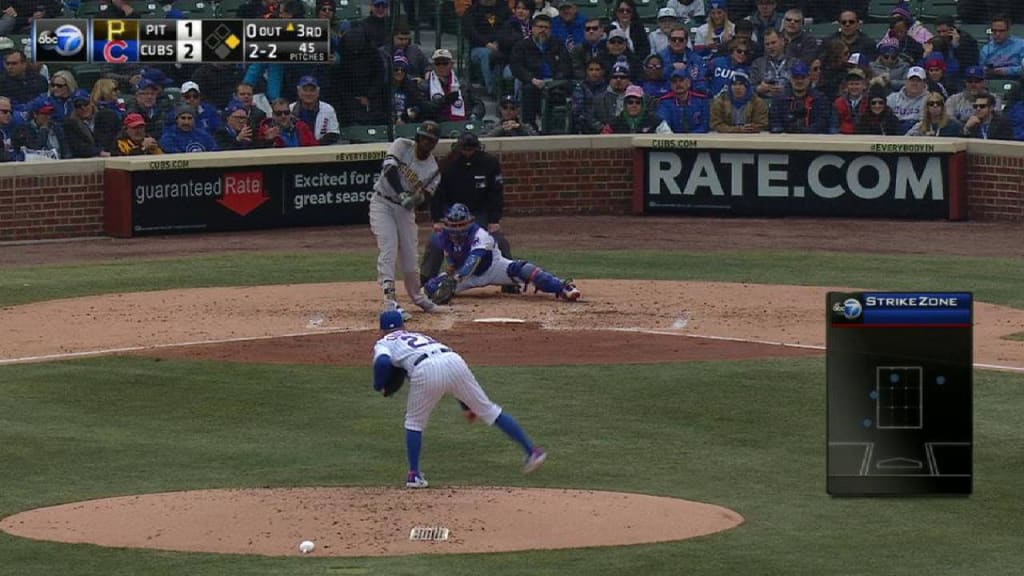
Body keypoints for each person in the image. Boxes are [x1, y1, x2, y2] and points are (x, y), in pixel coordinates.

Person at [372, 309, 547, 489]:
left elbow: (383, 362)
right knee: (490, 410)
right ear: (403, 325)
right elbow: (445, 369)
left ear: (382, 330)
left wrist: (378, 385)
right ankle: (532, 451)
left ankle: (414, 475)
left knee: (414, 423)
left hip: (425, 368)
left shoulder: (383, 343)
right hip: (453, 359)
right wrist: (466, 406)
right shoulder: (419, 336)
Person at [423, 203, 581, 302]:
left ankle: (562, 287)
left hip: (493, 267)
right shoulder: (442, 236)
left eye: (461, 225)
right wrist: (448, 275)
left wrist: (455, 279)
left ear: (469, 222)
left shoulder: (480, 235)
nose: (457, 229)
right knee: (430, 289)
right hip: (463, 275)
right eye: (454, 225)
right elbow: (450, 256)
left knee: (525, 269)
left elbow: (474, 259)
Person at [422, 131, 514, 290]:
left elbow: (496, 193)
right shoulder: (446, 164)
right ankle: (426, 279)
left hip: (479, 213)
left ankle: (510, 281)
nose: (468, 153)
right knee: (435, 242)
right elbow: (437, 194)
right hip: (451, 214)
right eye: (465, 149)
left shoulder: (490, 163)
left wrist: (494, 220)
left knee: (499, 240)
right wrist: (437, 219)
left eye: (472, 150)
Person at [371, 120, 444, 321]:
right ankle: (390, 301)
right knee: (388, 249)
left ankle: (417, 297)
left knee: (411, 256)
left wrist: (418, 200)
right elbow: (389, 170)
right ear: (417, 138)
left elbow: (425, 201)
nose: (426, 143)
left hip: (404, 212)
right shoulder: (402, 145)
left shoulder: (432, 169)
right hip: (382, 202)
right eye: (424, 138)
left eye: (431, 141)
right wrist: (402, 194)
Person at [509, 14, 573, 130]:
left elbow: (565, 65)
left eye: (546, 27)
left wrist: (556, 80)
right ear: (532, 29)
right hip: (533, 81)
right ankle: (529, 126)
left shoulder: (558, 44)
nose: (543, 30)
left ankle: (553, 127)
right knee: (528, 89)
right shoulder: (522, 45)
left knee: (562, 90)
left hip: (555, 82)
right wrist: (532, 79)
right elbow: (517, 67)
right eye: (540, 27)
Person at [464, 0, 512, 97]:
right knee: (486, 54)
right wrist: (486, 43)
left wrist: (500, 42)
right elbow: (470, 32)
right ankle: (492, 89)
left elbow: (510, 27)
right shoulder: (472, 11)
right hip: (478, 48)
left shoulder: (505, 9)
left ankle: (504, 87)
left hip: (501, 45)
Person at [769, 60, 830, 133]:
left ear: (808, 79)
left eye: (803, 77)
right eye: (796, 78)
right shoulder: (779, 99)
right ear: (790, 79)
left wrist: (802, 131)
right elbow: (775, 123)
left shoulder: (819, 99)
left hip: (812, 139)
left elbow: (822, 124)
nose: (799, 81)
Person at [64, 89, 118, 158]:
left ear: (91, 102)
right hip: (86, 159)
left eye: (85, 103)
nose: (83, 108)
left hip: (111, 155)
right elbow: (77, 146)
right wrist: (99, 152)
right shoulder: (70, 124)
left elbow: (114, 136)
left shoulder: (107, 116)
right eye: (78, 105)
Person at [710, 69, 768, 133]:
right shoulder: (720, 102)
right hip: (726, 137)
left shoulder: (758, 103)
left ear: (747, 87)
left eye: (741, 84)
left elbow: (762, 124)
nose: (737, 87)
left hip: (750, 137)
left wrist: (752, 127)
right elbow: (716, 125)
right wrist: (738, 129)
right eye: (734, 84)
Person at [655, 69, 711, 133]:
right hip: (673, 139)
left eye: (681, 80)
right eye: (674, 81)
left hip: (699, 139)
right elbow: (663, 123)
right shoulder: (665, 102)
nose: (678, 84)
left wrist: (690, 139)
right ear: (671, 85)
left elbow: (705, 126)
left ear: (689, 83)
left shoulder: (701, 100)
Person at [290, 75, 341, 145]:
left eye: (312, 90)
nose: (308, 94)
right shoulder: (290, 109)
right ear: (298, 91)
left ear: (318, 92)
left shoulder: (328, 109)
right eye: (305, 90)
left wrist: (315, 145)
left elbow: (334, 134)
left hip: (321, 149)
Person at [979, 14, 1024, 79]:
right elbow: (980, 67)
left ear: (1009, 30)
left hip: (1016, 79)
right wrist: (986, 70)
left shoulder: (1021, 45)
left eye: (1001, 31)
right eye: (994, 31)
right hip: (992, 79)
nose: (997, 34)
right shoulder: (986, 48)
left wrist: (1007, 71)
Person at [886, 65, 928, 133]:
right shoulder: (892, 98)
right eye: (912, 80)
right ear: (906, 81)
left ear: (924, 83)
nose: (914, 83)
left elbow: (925, 122)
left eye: (918, 81)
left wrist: (907, 137)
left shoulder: (929, 99)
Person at [831, 68, 869, 134]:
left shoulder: (870, 102)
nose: (854, 87)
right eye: (851, 84)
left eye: (857, 84)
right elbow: (834, 125)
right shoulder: (838, 103)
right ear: (847, 86)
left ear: (864, 86)